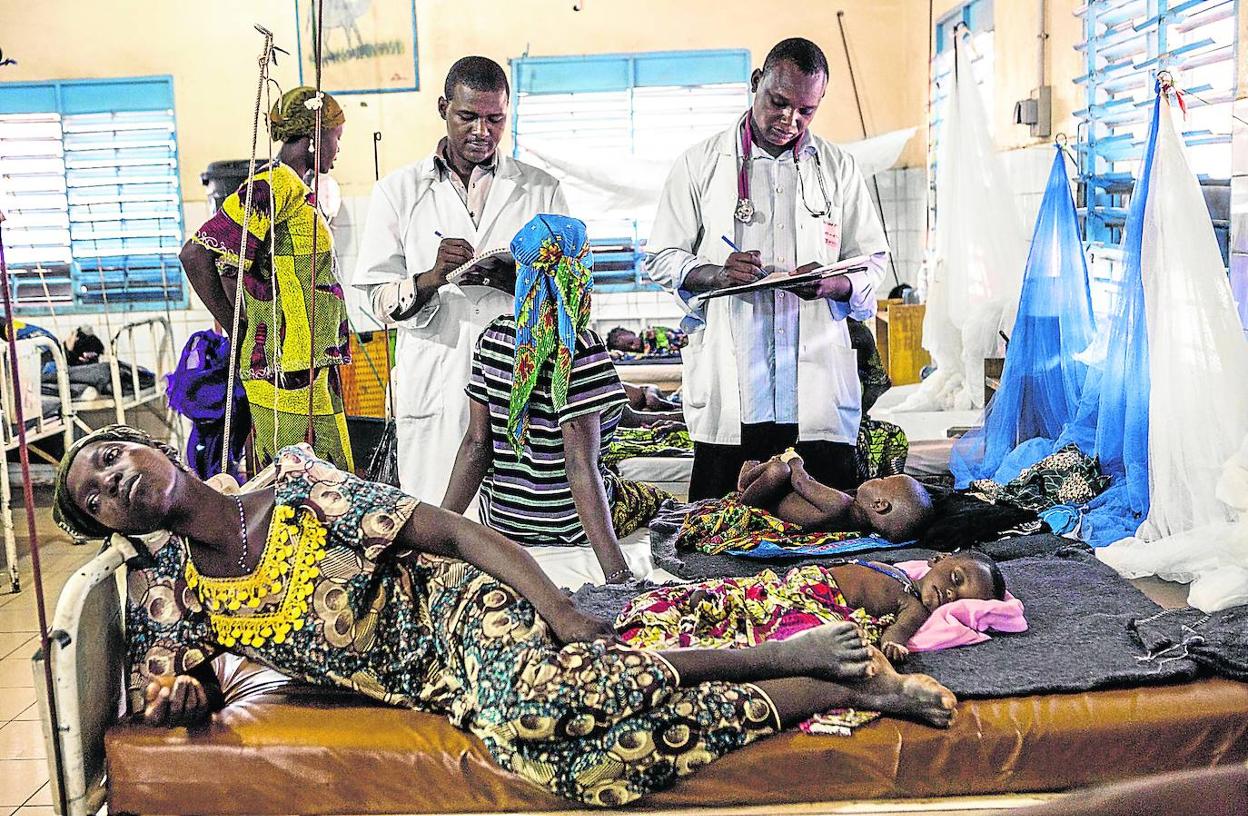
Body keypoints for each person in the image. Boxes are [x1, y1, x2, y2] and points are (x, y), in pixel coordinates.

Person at [54, 424, 959, 808]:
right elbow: (170, 686)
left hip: (459, 614)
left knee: (535, 701)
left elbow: (450, 530)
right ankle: (826, 683)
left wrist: (557, 603)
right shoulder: (172, 591)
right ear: (111, 527)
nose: (111, 479)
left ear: (150, 441)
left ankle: (782, 657)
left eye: (105, 456)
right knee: (578, 764)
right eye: (95, 497)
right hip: (431, 685)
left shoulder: (293, 484)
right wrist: (182, 695)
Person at [645, 38, 889, 501]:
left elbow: (873, 262)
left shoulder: (837, 168)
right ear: (756, 82)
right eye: (779, 102)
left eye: (806, 110)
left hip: (816, 389)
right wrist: (715, 274)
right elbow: (659, 256)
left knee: (831, 537)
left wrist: (833, 283)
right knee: (718, 539)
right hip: (734, 393)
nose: (789, 120)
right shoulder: (702, 164)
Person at [353, 56, 568, 502]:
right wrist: (430, 278)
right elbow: (374, 299)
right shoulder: (399, 191)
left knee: (515, 533)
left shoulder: (542, 189)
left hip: (519, 376)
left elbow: (574, 295)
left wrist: (521, 281)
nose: (481, 131)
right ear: (443, 108)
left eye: (495, 119)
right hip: (437, 378)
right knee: (436, 523)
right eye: (468, 116)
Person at [441, 215, 669, 583]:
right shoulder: (580, 347)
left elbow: (476, 445)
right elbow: (581, 467)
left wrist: (441, 531)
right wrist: (617, 573)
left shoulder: (492, 340)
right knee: (663, 504)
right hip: (571, 521)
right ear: (578, 273)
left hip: (505, 521)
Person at [180, 86, 353, 471]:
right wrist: (238, 331)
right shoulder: (275, 185)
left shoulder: (291, 189)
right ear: (313, 137)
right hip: (285, 366)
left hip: (300, 361)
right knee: (306, 484)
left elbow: (235, 265)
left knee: (313, 480)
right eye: (336, 138)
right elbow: (196, 254)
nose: (338, 149)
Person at [619, 551, 1007, 667]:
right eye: (955, 579)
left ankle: (724, 615)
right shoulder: (898, 568)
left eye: (961, 601)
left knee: (787, 622)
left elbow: (898, 631)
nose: (949, 595)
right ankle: (722, 602)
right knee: (758, 593)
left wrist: (893, 644)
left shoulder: (913, 606)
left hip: (824, 603)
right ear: (938, 559)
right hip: (804, 580)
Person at [736, 450, 934, 540]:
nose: (878, 478)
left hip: (767, 502)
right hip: (778, 500)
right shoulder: (849, 518)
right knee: (779, 469)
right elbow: (811, 487)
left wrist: (794, 460)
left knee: (778, 470)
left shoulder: (841, 503)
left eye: (882, 480)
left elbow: (802, 482)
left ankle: (744, 486)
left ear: (879, 504)